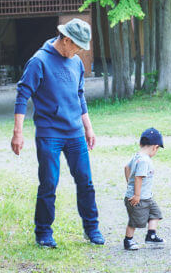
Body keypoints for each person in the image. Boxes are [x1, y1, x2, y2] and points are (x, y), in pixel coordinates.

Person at [11, 18, 104, 248]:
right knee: (49, 183)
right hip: (49, 133)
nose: (80, 51)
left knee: (85, 181)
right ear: (66, 39)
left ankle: (91, 229)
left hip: (75, 133)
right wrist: (18, 133)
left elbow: (79, 95)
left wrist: (88, 128)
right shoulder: (39, 61)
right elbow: (22, 95)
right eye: (77, 46)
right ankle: (43, 232)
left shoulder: (76, 63)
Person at [123, 127, 166, 251]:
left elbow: (126, 168)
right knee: (135, 220)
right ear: (155, 147)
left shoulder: (137, 156)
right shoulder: (144, 161)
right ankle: (128, 240)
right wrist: (136, 195)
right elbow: (138, 178)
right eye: (157, 150)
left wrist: (129, 185)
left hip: (147, 197)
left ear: (140, 143)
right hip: (139, 198)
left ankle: (151, 235)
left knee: (155, 214)